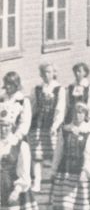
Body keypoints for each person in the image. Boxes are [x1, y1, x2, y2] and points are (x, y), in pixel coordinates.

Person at [0, 103, 43, 210]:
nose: (3, 129)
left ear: (12, 126)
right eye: (0, 126)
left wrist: (17, 189)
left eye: (6, 126)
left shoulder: (20, 146)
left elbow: (24, 172)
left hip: (13, 188)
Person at [28, 63, 65, 193]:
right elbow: (31, 108)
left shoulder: (59, 89)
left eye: (49, 72)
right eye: (44, 72)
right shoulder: (37, 89)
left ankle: (55, 181)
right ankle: (37, 182)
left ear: (54, 73)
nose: (46, 75)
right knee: (37, 155)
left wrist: (55, 125)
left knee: (55, 154)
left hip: (52, 125)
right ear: (40, 74)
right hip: (38, 124)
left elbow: (60, 109)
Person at [0, 71, 32, 142]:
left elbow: (25, 122)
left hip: (15, 138)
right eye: (6, 83)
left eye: (10, 84)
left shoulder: (22, 100)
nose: (7, 86)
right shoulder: (1, 99)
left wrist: (17, 136)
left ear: (16, 85)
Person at [65, 63, 90, 128]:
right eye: (75, 71)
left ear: (85, 73)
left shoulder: (89, 87)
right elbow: (67, 104)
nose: (77, 73)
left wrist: (89, 120)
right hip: (72, 120)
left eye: (79, 71)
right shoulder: (70, 87)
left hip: (85, 120)